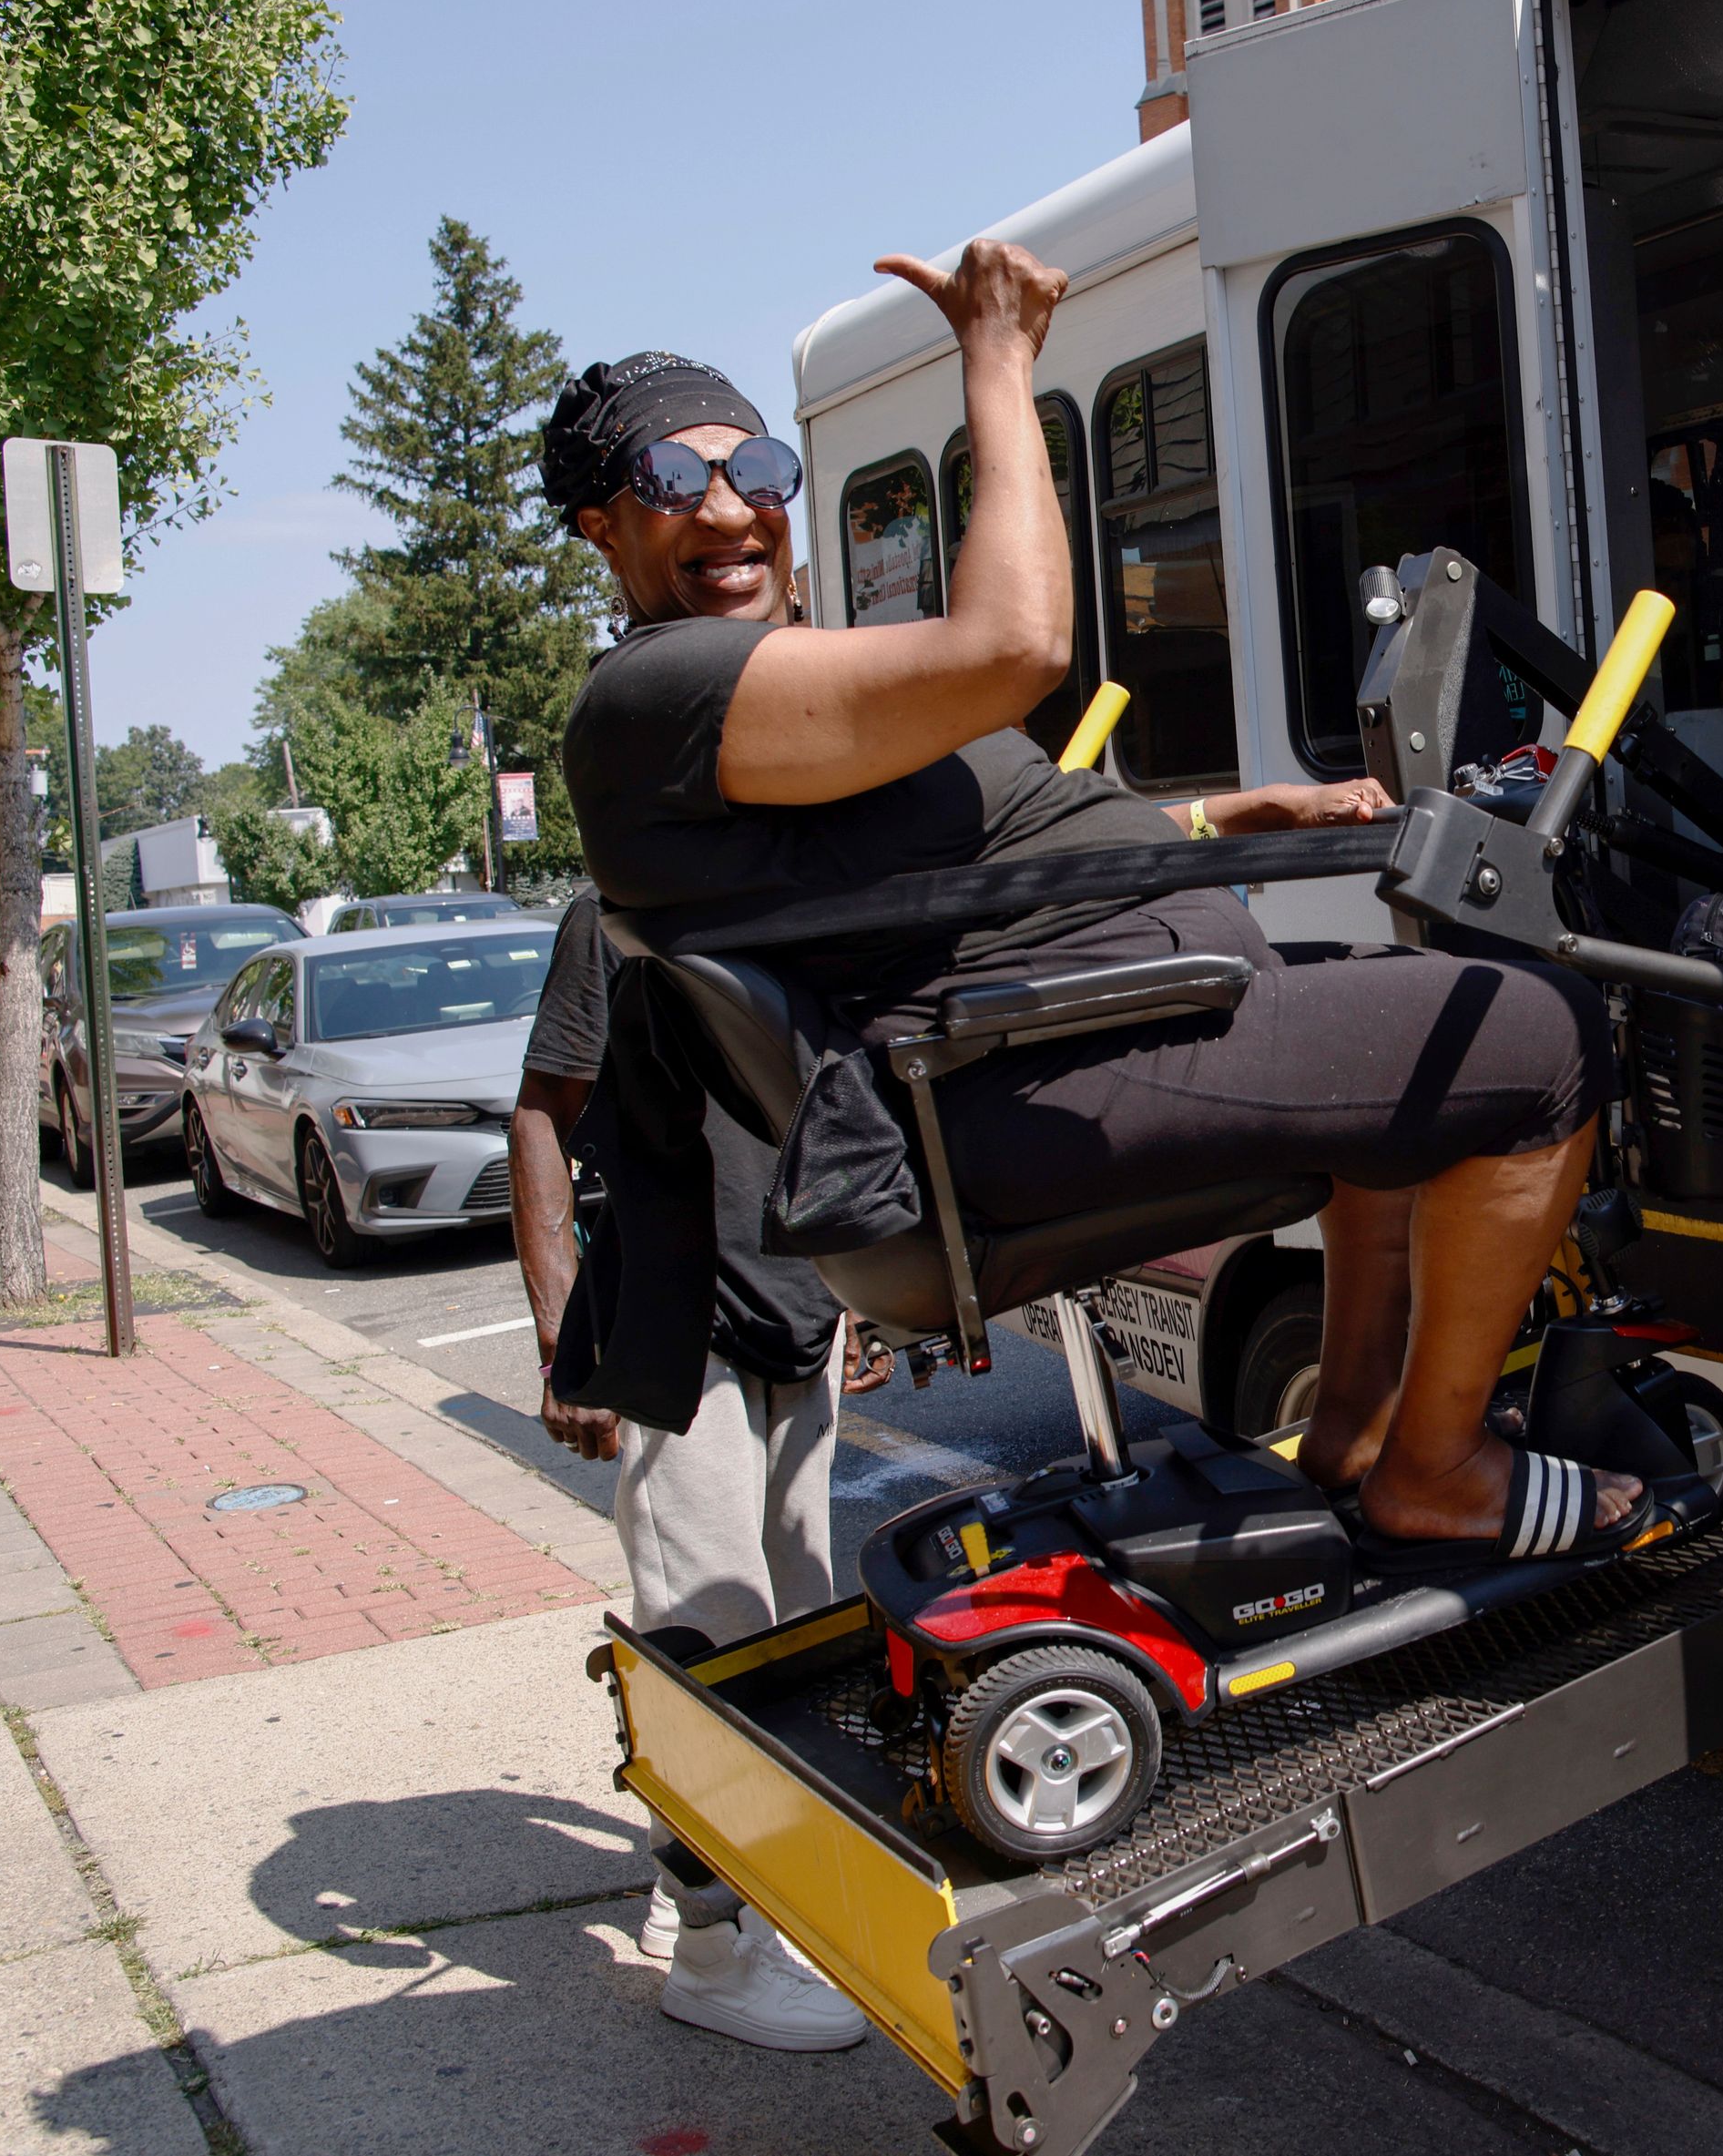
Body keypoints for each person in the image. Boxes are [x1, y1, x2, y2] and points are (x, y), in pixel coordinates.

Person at [540, 238, 1657, 1568]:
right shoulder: (652, 696)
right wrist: (999, 357)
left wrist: (1223, 817)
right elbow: (1017, 648)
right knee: (1537, 1034)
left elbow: (951, 864)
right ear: (602, 526)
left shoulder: (757, 697)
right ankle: (1440, 1466)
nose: (731, 508)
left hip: (1053, 1041)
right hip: (1016, 1076)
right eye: (676, 478)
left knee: (1391, 1034)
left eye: (758, 469)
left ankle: (1363, 1428)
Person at [512, 889, 873, 2054]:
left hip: (800, 1313)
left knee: (802, 1632)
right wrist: (565, 1334)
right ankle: (717, 1954)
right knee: (709, 1642)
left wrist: (861, 1292)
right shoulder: (616, 913)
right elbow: (541, 1112)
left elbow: (832, 1106)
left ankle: (715, 1895)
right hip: (679, 1331)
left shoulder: (810, 892)